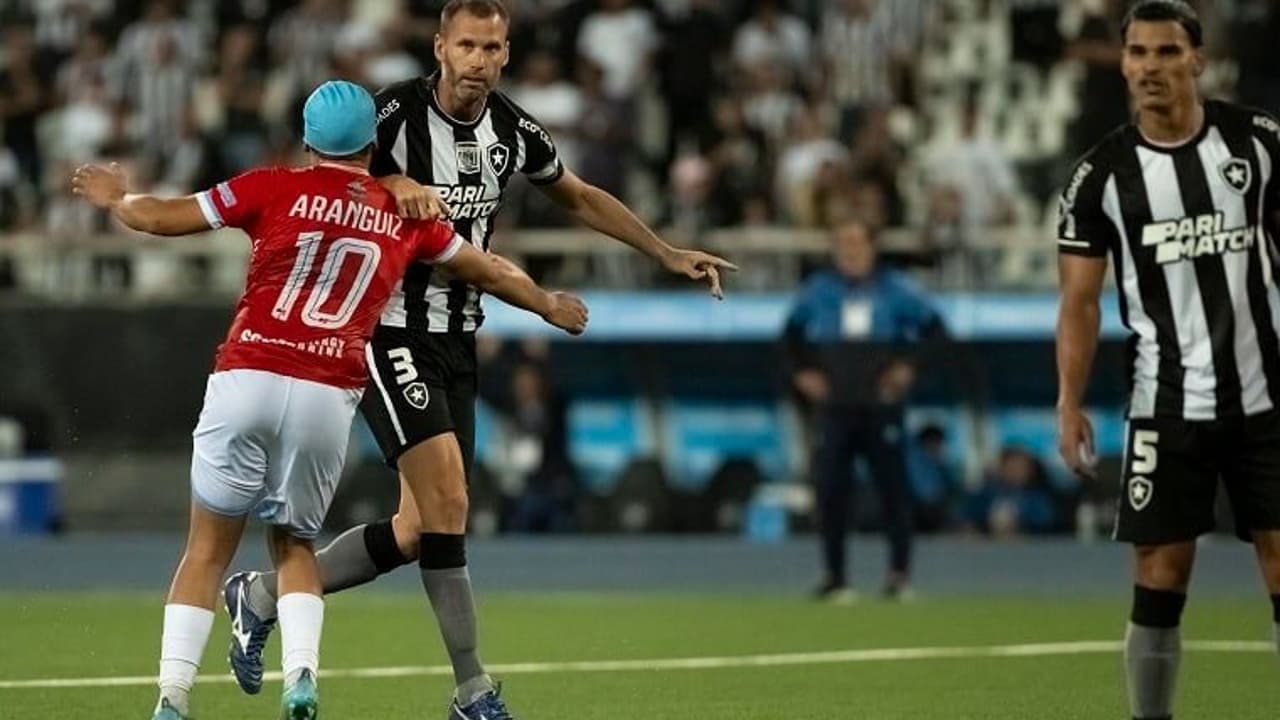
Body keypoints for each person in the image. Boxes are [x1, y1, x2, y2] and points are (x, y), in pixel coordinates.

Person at [224, 2, 737, 719]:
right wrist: (386, 186)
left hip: (458, 334)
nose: (481, 60)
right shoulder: (389, 117)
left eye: (494, 47)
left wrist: (665, 251)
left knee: (415, 528)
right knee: (452, 506)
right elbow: (321, 183)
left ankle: (260, 593)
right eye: (467, 45)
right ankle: (472, 690)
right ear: (440, 47)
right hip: (386, 328)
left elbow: (580, 196)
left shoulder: (512, 129)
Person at [70, 80, 588, 720]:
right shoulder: (403, 213)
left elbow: (162, 218)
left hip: (248, 372)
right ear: (374, 143)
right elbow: (487, 268)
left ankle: (172, 699)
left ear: (307, 140)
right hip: (324, 389)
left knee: (205, 550)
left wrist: (117, 198)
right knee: (294, 547)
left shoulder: (270, 186)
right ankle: (301, 680)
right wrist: (548, 303)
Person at [1055, 3, 1280, 719]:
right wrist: (1069, 399)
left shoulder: (1260, 143)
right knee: (1160, 574)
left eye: (1166, 52)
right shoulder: (1098, 178)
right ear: (1122, 63)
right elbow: (1080, 304)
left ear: (1197, 60)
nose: (1150, 67)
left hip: (1269, 400)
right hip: (1166, 404)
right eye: (1138, 53)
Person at [784, 216, 945, 603]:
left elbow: (935, 331)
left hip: (879, 403)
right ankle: (835, 576)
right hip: (835, 404)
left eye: (857, 244)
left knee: (893, 489)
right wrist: (804, 375)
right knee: (831, 490)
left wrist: (908, 367)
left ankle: (899, 574)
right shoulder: (819, 290)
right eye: (843, 245)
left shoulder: (897, 290)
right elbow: (788, 340)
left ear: (873, 247)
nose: (850, 253)